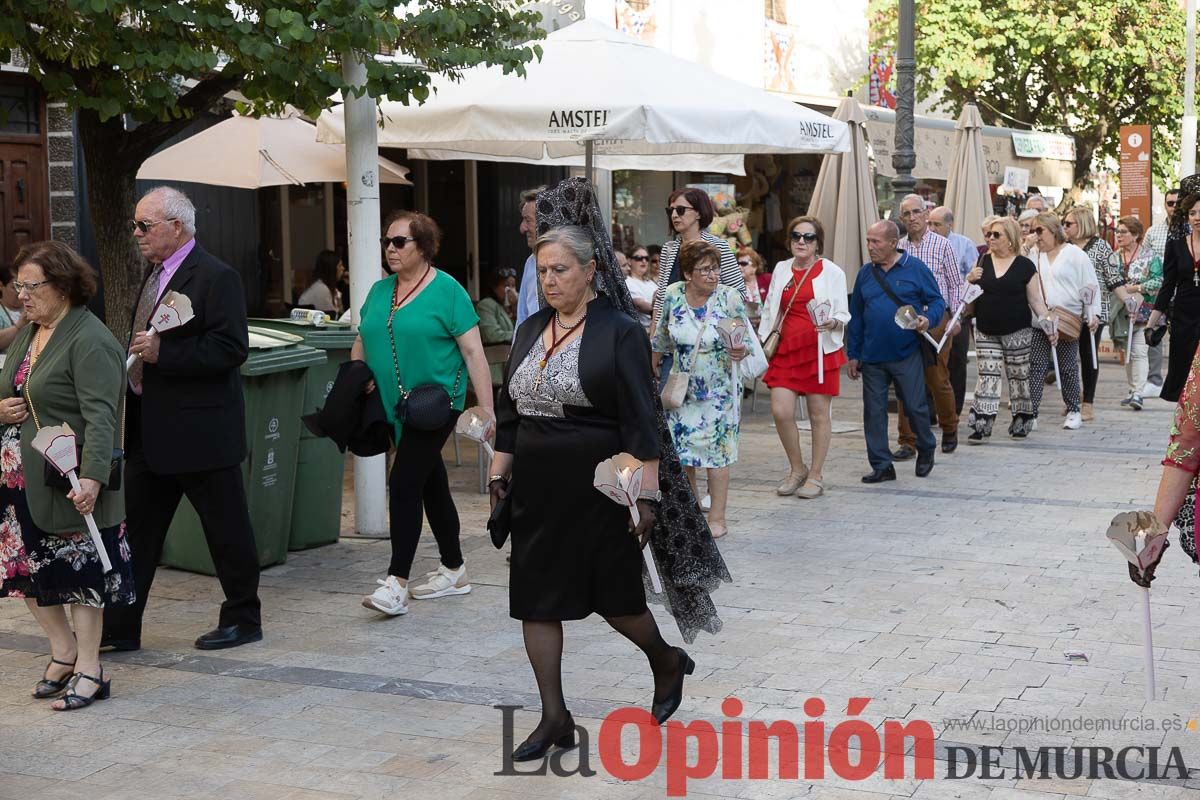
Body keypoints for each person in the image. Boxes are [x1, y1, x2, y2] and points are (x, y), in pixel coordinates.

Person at [489, 178, 730, 762]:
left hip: (599, 487)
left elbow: (641, 421)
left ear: (591, 270)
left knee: (616, 600)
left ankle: (665, 658)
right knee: (536, 601)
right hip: (537, 493)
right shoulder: (527, 331)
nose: (550, 281)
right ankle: (554, 717)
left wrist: (644, 498)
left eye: (561, 270)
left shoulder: (617, 331)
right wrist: (500, 476)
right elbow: (511, 411)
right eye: (542, 271)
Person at [103, 186, 262, 652]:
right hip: (151, 432)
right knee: (139, 534)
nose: (136, 234)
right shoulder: (153, 276)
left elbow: (232, 348)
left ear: (177, 226)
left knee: (227, 530)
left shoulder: (217, 277)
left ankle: (243, 618)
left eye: (144, 225)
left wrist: (163, 352)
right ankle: (121, 626)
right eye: (135, 225)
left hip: (202, 434)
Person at [0, 241, 132, 710]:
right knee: (28, 572)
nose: (21, 297)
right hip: (19, 479)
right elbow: (11, 388)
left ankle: (91, 668)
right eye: (18, 286)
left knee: (79, 572)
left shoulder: (89, 338)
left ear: (62, 286)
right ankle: (63, 651)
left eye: (31, 287)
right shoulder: (30, 331)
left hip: (68, 478)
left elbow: (103, 416)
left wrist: (94, 478)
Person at [354, 210, 494, 617]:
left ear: (424, 246)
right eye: (386, 242)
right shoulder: (380, 292)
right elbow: (364, 338)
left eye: (399, 242)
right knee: (430, 483)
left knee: (403, 482)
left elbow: (473, 352)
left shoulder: (448, 291)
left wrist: (485, 408)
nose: (390, 249)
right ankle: (454, 569)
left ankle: (396, 582)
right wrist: (356, 377)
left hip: (435, 405)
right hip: (392, 405)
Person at [652, 240, 749, 539]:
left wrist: (738, 351)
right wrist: (653, 360)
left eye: (715, 268)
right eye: (704, 269)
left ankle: (718, 516)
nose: (712, 275)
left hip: (719, 388)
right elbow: (662, 336)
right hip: (683, 387)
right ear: (688, 273)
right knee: (683, 453)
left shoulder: (729, 298)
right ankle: (692, 512)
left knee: (716, 452)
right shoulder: (673, 294)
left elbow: (741, 341)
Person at [847, 221, 946, 483]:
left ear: (893, 243)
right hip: (872, 356)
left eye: (876, 242)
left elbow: (937, 301)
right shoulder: (865, 273)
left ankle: (926, 447)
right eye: (868, 241)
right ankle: (881, 465)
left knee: (915, 406)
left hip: (906, 352)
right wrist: (853, 354)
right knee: (874, 412)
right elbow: (856, 316)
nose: (870, 247)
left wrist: (929, 320)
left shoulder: (915, 268)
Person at [758, 216, 849, 499]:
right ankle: (797, 468)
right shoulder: (782, 268)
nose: (801, 242)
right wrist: (762, 343)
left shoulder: (831, 271)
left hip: (818, 351)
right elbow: (770, 308)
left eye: (808, 237)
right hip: (785, 349)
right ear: (789, 240)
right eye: (796, 236)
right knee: (781, 411)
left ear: (818, 243)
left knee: (818, 415)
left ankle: (816, 474)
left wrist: (833, 323)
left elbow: (843, 313)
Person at [964, 217, 1051, 442]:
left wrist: (1046, 321)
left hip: (1017, 329)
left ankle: (1022, 419)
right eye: (989, 234)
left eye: (996, 235)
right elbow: (969, 294)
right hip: (985, 328)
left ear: (1010, 240)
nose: (990, 238)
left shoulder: (1024, 266)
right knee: (987, 376)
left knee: (1018, 375)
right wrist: (969, 278)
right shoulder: (983, 260)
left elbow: (1035, 299)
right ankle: (981, 423)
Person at [895, 194, 962, 455]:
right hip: (907, 319)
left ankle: (949, 427)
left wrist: (955, 319)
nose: (912, 218)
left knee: (936, 377)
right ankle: (907, 440)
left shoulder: (943, 245)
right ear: (901, 219)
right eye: (906, 214)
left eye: (916, 212)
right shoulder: (898, 247)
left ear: (926, 214)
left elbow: (956, 284)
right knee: (904, 379)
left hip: (936, 317)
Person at [1028, 212, 1101, 430]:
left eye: (1039, 230)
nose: (1036, 235)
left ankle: (1073, 410)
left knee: (1068, 366)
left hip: (1067, 319)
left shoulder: (1075, 254)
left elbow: (1090, 284)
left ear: (1053, 230)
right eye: (1033, 230)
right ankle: (1030, 413)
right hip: (1040, 319)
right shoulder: (1033, 254)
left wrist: (1093, 313)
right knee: (1037, 366)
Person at [1061, 206, 1118, 422]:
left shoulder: (1101, 247)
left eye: (1068, 224)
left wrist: (1127, 299)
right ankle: (1072, 400)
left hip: (1093, 310)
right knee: (1067, 357)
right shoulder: (1063, 247)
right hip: (1068, 309)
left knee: (1088, 354)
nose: (1064, 227)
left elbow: (1113, 278)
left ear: (1082, 224)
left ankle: (1088, 403)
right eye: (1063, 224)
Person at [1149, 180, 1200, 403]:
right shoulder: (1176, 245)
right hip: (1183, 317)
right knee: (1184, 373)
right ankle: (1188, 428)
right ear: (1187, 216)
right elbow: (1167, 286)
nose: (1198, 217)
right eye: (1193, 213)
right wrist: (1151, 322)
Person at [929, 206, 979, 415]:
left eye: (937, 224)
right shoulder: (925, 243)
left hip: (958, 311)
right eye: (929, 223)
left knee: (957, 361)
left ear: (950, 224)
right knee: (932, 361)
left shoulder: (964, 245)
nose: (931, 228)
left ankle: (954, 410)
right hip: (934, 312)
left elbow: (974, 275)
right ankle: (931, 410)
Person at [1107, 216, 1162, 410]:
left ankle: (1138, 393)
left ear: (1136, 235)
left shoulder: (1149, 256)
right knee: (1128, 351)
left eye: (1123, 232)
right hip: (1122, 313)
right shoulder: (1113, 257)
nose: (1119, 235)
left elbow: (1159, 280)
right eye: (1117, 231)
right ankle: (1132, 391)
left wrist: (1136, 288)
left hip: (1145, 311)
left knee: (1139, 351)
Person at [1143, 188, 1178, 395]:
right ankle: (1154, 380)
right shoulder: (1153, 232)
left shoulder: (1192, 231)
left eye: (1176, 203)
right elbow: (1144, 260)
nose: (1173, 207)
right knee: (1154, 332)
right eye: (1170, 203)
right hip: (1158, 292)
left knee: (1180, 338)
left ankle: (1179, 378)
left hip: (1184, 293)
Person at [477, 269, 517, 387]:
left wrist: (515, 308)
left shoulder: (508, 308)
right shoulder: (486, 305)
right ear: (494, 287)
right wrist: (519, 336)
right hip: (494, 367)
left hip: (508, 366)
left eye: (513, 286)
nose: (510, 290)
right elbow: (491, 334)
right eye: (506, 286)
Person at [514, 186, 546, 329]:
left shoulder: (576, 265)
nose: (522, 228)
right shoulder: (531, 262)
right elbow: (522, 318)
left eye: (528, 220)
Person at [296, 250, 345, 316]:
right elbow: (335, 317)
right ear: (331, 269)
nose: (343, 268)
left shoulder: (320, 286)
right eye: (340, 265)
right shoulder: (322, 290)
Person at [625, 244, 657, 330]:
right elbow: (640, 305)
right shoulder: (628, 281)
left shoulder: (651, 282)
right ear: (629, 261)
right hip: (643, 330)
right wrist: (662, 311)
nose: (644, 261)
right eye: (639, 258)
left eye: (646, 258)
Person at [737, 246, 765, 326]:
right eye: (738, 264)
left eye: (743, 264)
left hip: (766, 330)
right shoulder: (736, 285)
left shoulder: (768, 280)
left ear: (755, 266)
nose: (739, 267)